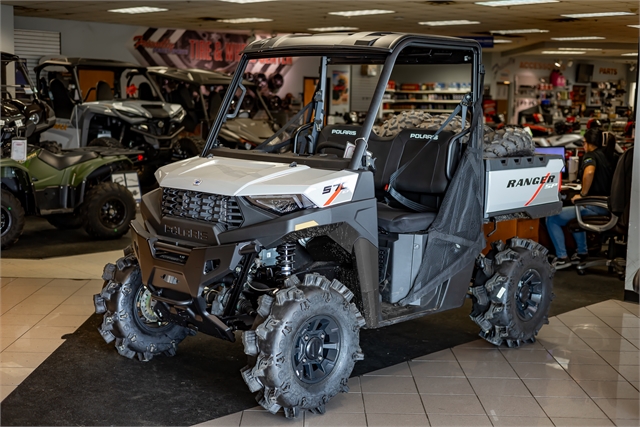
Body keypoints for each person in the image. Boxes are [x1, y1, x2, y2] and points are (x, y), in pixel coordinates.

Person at [546, 128, 617, 269]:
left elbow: (589, 172)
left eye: (584, 143)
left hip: (595, 206)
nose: (583, 146)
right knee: (577, 211)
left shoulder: (591, 156)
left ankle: (562, 257)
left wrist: (583, 195)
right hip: (609, 206)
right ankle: (582, 252)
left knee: (552, 218)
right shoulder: (611, 156)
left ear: (589, 143)